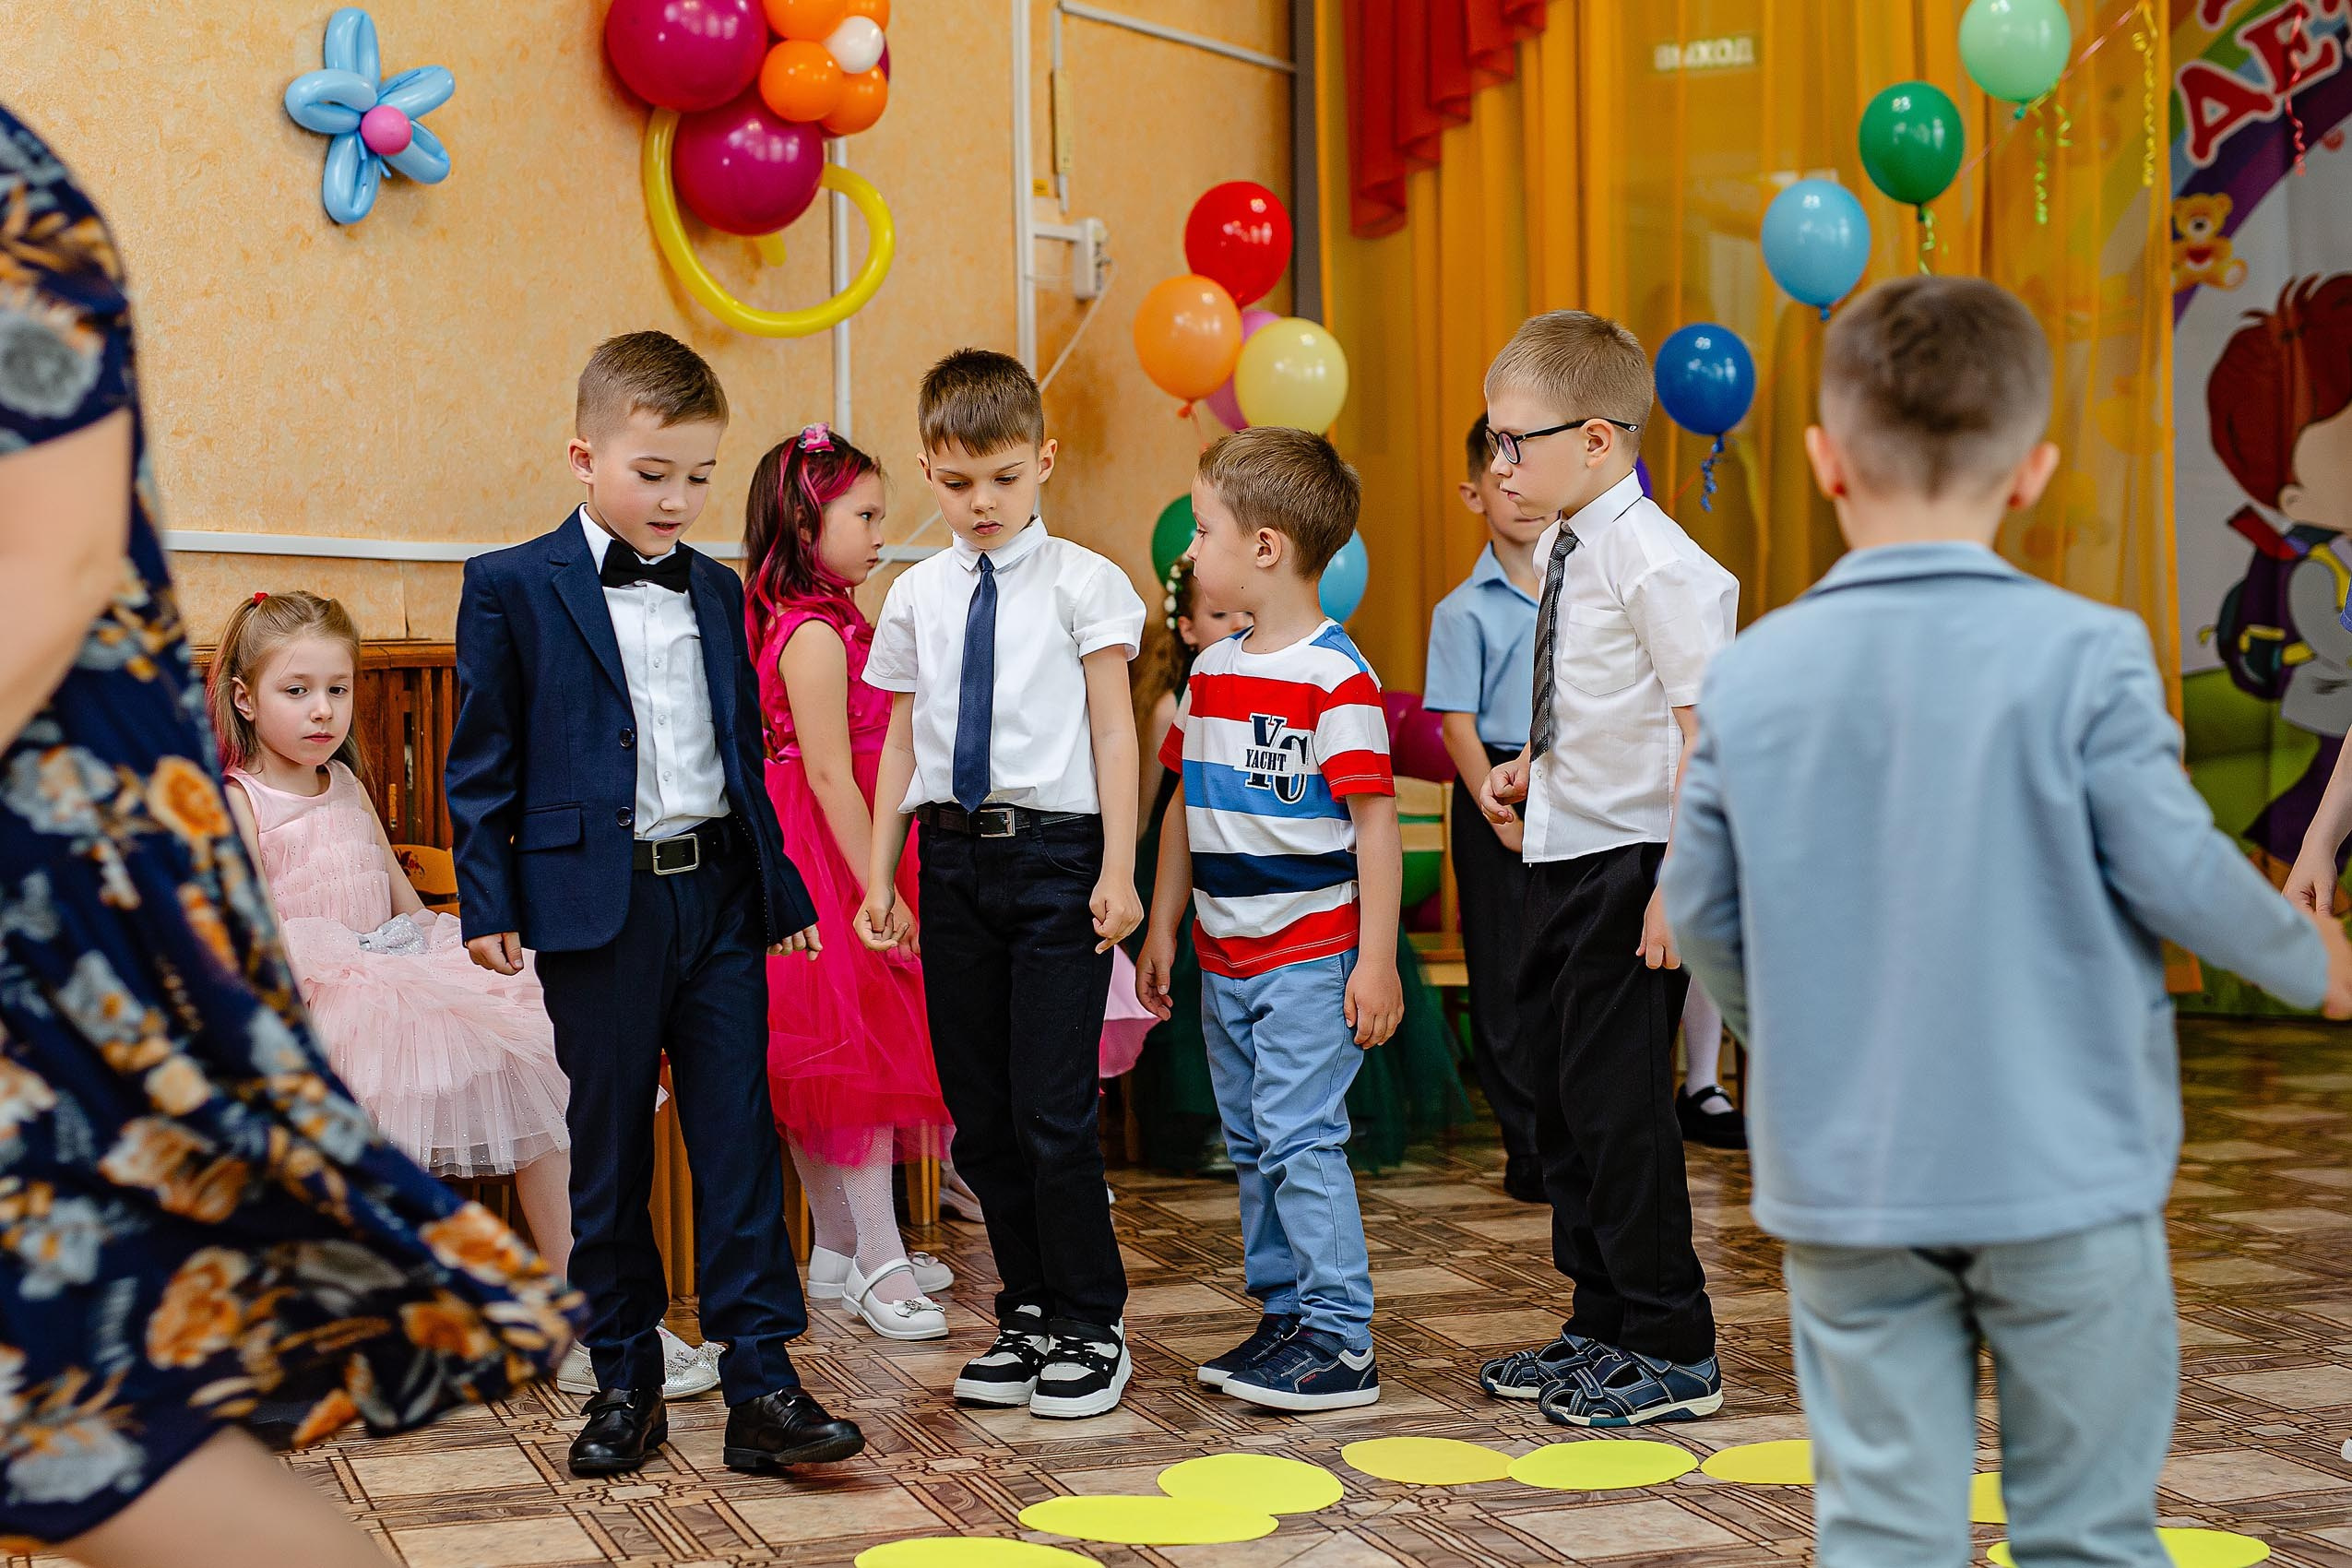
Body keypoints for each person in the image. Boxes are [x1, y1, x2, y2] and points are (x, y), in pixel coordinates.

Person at [1662, 273, 2352, 1568]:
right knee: (2086, 1532)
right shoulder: (2085, 653)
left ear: (1821, 461)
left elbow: (1700, 910)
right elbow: (2180, 873)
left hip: (1848, 1178)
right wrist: (2307, 962)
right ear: (2030, 473)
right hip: (2065, 1173)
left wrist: (1800, 1042)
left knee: (1879, 1528)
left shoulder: (1748, 678)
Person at [0, 101, 575, 1568]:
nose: (318, 710)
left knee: (75, 1401)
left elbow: (58, 547)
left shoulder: (16, 202)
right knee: (67, 1405)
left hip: (56, 839)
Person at [446, 331, 861, 1479]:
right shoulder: (512, 584)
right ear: (586, 457)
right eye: (652, 473)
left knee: (738, 1142)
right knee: (611, 1148)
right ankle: (625, 1376)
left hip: (718, 896)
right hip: (595, 908)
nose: (676, 499)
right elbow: (481, 760)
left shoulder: (719, 589)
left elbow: (739, 749)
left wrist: (777, 890)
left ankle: (763, 1383)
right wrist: (489, 895)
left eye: (697, 477)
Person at [858, 349, 1146, 1420]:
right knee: (978, 1109)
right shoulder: (915, 594)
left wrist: (1118, 866)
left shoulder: (1086, 581)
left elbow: (1115, 729)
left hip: (1059, 854)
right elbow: (899, 741)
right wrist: (881, 872)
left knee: (1052, 1108)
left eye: (1005, 478)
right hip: (952, 856)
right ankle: (1025, 1311)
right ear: (929, 469)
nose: (981, 503)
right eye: (957, 480)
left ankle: (1090, 1317)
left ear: (1044, 461)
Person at [1476, 310, 1736, 1427]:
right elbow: (1603, 697)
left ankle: (1675, 1339)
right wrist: (1534, 762)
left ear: (1593, 439)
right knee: (1567, 1105)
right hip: (1563, 849)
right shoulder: (1572, 549)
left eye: (1514, 442)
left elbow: (1706, 732)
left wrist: (1682, 883)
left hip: (1634, 870)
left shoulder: (1661, 561)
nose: (1500, 464)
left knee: (1623, 1107)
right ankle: (1603, 1320)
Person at [1137, 426, 1403, 1412]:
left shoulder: (1338, 680)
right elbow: (1180, 813)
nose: (1187, 552)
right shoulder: (1209, 673)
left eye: (1202, 529)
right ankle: (1287, 1313)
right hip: (1226, 953)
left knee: (1300, 1137)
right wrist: (1162, 929)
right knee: (1251, 1140)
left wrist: (1374, 964)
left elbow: (1374, 827)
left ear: (1264, 548)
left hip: (1311, 956)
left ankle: (1340, 1339)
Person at [740, 423, 956, 1344]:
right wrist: (880, 886)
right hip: (828, 854)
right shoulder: (817, 634)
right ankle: (879, 1257)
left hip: (838, 843)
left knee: (822, 1058)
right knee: (849, 1052)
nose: (880, 532)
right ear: (805, 518)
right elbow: (830, 771)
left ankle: (836, 1243)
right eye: (864, 514)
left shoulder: (825, 619)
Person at [1423, 413, 1546, 1199]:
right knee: (1503, 976)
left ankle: (1575, 1133)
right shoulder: (1462, 610)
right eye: (1501, 479)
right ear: (1475, 493)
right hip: (1493, 791)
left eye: (1531, 472)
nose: (1521, 493)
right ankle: (1526, 1143)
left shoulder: (1592, 590)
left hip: (1574, 786)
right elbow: (1457, 724)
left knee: (1567, 970)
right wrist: (1495, 807)